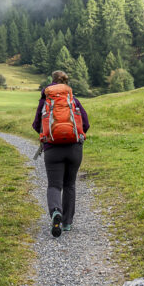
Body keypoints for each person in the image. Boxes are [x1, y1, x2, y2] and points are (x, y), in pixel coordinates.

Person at [32, 70, 90, 237]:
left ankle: (56, 212)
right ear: (66, 83)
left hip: (52, 149)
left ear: (52, 82)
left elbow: (37, 125)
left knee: (54, 185)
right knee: (70, 184)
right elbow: (85, 123)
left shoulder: (46, 102)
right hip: (74, 148)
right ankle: (67, 223)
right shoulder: (73, 100)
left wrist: (48, 135)